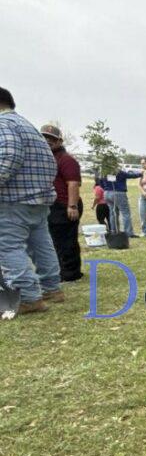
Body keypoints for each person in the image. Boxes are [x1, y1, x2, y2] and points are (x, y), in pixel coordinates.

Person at [0, 86, 63, 315]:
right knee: (41, 245)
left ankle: (28, 296)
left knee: (7, 247)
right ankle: (51, 288)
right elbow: (50, 162)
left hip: (12, 199)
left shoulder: (3, 125)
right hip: (38, 198)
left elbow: (8, 155)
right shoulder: (27, 126)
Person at [40, 125, 83, 282]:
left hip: (64, 204)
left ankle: (70, 273)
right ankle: (61, 270)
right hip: (53, 204)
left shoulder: (66, 160)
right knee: (55, 240)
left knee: (66, 240)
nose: (47, 140)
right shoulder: (47, 158)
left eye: (51, 138)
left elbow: (73, 183)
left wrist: (72, 206)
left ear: (59, 141)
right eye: (44, 137)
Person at [106, 168, 141, 237]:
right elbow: (130, 175)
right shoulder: (118, 172)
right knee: (125, 213)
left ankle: (114, 231)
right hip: (119, 193)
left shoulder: (104, 171)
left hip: (107, 193)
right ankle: (128, 233)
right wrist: (141, 174)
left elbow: (100, 182)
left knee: (113, 213)